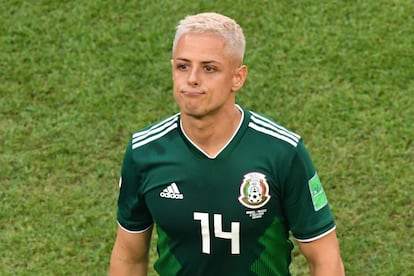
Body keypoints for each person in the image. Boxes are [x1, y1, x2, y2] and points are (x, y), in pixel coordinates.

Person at [109, 12, 345, 276]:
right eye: (183, 66)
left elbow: (325, 257)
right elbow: (129, 257)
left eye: (209, 68)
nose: (192, 79)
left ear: (238, 77)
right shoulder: (145, 152)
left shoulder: (282, 152)